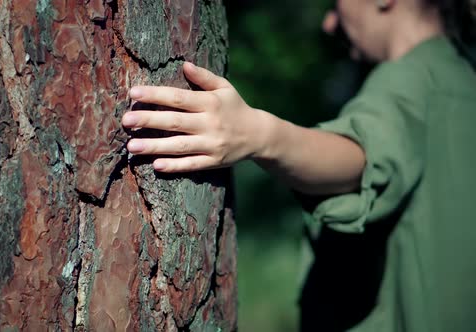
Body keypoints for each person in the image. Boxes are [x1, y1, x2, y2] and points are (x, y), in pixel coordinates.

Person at [122, 0, 476, 331]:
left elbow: (358, 159)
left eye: (336, 3)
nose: (329, 23)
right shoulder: (461, 80)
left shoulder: (412, 78)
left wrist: (258, 134)